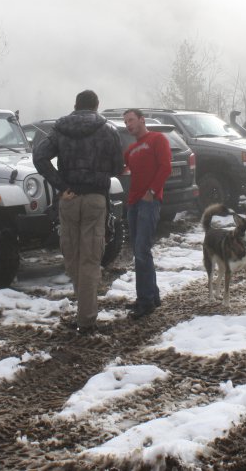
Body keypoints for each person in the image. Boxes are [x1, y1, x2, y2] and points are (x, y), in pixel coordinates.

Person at [33, 90, 123, 335]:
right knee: (90, 258)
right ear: (96, 106)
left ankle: (83, 311)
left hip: (69, 198)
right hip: (95, 198)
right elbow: (118, 166)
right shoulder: (108, 130)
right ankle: (86, 319)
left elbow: (39, 157)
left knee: (72, 255)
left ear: (75, 105)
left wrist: (61, 186)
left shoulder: (60, 129)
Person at [122, 108, 172, 319]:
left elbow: (165, 167)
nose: (128, 125)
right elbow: (124, 170)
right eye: (126, 122)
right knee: (139, 251)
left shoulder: (157, 139)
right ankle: (152, 296)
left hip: (149, 202)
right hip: (133, 203)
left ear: (142, 120)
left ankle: (145, 302)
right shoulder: (130, 149)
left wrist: (152, 192)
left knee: (142, 250)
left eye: (131, 120)